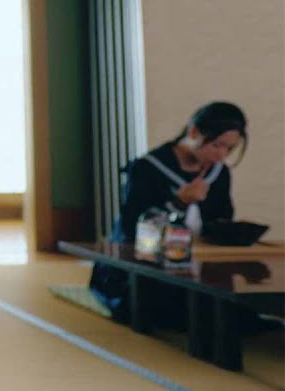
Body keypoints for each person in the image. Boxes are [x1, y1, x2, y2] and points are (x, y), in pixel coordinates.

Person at [90, 101, 248, 324]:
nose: (221, 155)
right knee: (162, 307)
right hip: (146, 266)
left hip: (196, 265)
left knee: (234, 307)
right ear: (193, 132)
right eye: (216, 145)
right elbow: (131, 231)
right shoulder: (147, 168)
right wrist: (178, 204)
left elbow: (221, 222)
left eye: (229, 149)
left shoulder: (219, 173)